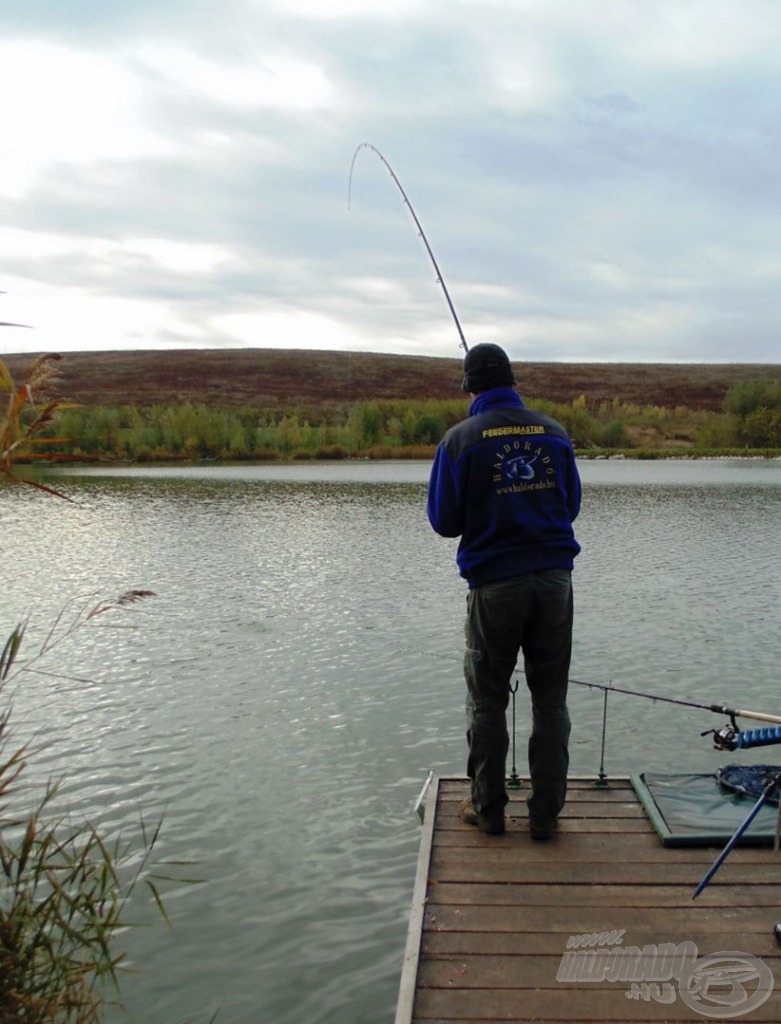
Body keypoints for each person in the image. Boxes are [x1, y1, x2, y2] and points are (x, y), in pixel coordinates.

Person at [427, 343, 581, 839]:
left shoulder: (459, 440)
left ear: (469, 386)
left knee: (488, 702)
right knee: (551, 702)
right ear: (513, 381)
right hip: (555, 583)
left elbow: (443, 521)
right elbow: (570, 506)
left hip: (494, 587)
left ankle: (489, 811)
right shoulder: (555, 434)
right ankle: (545, 817)